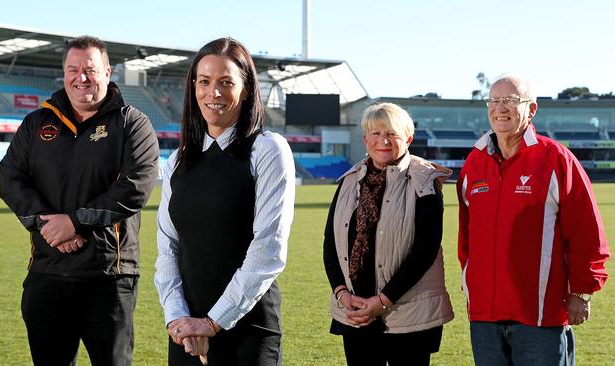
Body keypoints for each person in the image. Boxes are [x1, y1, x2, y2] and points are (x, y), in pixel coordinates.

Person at [0, 35, 159, 365]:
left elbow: (134, 187)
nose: (80, 77)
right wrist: (47, 223)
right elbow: (10, 178)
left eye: (90, 69)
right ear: (64, 72)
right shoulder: (36, 123)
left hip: (109, 279)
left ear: (108, 72)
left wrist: (73, 223)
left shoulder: (133, 124)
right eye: (73, 69)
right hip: (46, 275)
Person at [154, 37, 295, 366]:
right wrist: (178, 318)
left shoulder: (268, 150)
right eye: (204, 82)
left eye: (226, 82)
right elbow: (167, 248)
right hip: (187, 333)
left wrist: (213, 322)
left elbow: (268, 250)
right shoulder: (178, 160)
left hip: (248, 332)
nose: (213, 93)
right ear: (193, 87)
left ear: (246, 89)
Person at [457, 73, 610, 365]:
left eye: (511, 101)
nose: (500, 108)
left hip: (540, 317)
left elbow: (587, 232)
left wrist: (581, 291)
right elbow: (466, 239)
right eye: (494, 100)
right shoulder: (474, 164)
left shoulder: (556, 159)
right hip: (485, 318)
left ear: (532, 109)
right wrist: (470, 287)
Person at [323, 102, 454, 366]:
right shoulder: (350, 180)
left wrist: (382, 301)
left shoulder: (424, 179)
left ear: (408, 138)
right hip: (355, 312)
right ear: (365, 139)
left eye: (392, 133)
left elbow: (425, 250)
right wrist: (342, 294)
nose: (383, 140)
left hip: (408, 315)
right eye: (375, 133)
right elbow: (331, 243)